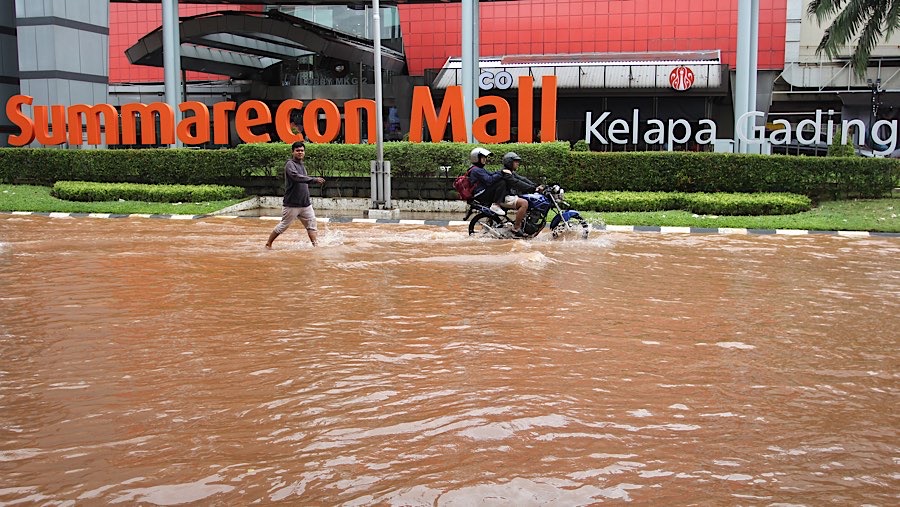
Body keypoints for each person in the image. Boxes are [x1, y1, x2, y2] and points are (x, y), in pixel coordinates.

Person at [265, 141, 326, 248]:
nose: (300, 152)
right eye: (297, 151)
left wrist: (311, 180)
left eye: (302, 151)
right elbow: (295, 177)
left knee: (312, 226)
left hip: (305, 204)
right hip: (291, 204)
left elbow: (303, 180)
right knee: (283, 226)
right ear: (293, 152)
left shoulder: (302, 165)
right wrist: (313, 180)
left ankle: (316, 246)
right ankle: (268, 243)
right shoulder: (290, 164)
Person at [499, 151, 540, 236]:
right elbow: (517, 183)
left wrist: (536, 186)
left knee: (527, 199)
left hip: (509, 196)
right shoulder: (506, 173)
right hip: (503, 197)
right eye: (515, 161)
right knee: (524, 203)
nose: (517, 163)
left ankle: (524, 224)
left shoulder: (510, 172)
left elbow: (522, 179)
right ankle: (516, 227)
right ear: (509, 162)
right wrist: (532, 188)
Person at [467, 147, 513, 216]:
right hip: (480, 194)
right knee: (502, 182)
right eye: (483, 158)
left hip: (482, 192)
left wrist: (501, 171)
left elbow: (491, 174)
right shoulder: (476, 170)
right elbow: (489, 180)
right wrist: (501, 173)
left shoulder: (479, 169)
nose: (485, 160)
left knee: (501, 180)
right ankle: (496, 205)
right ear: (476, 158)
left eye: (485, 158)